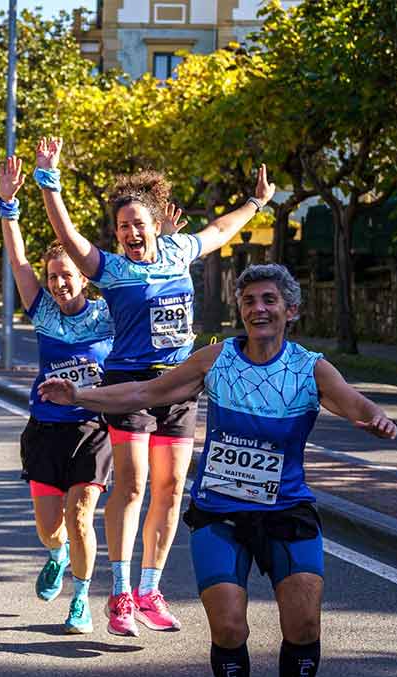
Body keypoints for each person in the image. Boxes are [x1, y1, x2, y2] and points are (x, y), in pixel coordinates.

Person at [40, 263, 397, 677]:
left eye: (269, 300)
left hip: (286, 511)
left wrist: (374, 417)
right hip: (221, 513)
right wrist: (81, 395)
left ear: (290, 310)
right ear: (241, 310)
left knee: (304, 624)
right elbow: (147, 392)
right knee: (229, 626)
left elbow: (351, 402)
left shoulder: (310, 368)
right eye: (250, 300)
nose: (259, 309)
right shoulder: (217, 359)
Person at [35, 136, 274, 637]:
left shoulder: (179, 250)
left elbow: (219, 229)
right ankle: (119, 594)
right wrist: (48, 180)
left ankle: (149, 589)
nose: (129, 232)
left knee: (169, 488)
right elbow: (68, 233)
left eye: (137, 223)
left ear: (155, 223)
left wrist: (256, 202)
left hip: (180, 383)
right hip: (129, 383)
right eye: (122, 226)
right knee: (135, 483)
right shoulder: (111, 268)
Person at [0, 155, 114, 634]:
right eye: (53, 277)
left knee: (81, 515)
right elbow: (18, 261)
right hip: (45, 429)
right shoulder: (42, 311)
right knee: (51, 526)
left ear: (84, 276)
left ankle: (82, 598)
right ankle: (56, 554)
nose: (60, 282)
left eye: (68, 274)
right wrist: (7, 205)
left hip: (91, 429)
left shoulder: (109, 314)